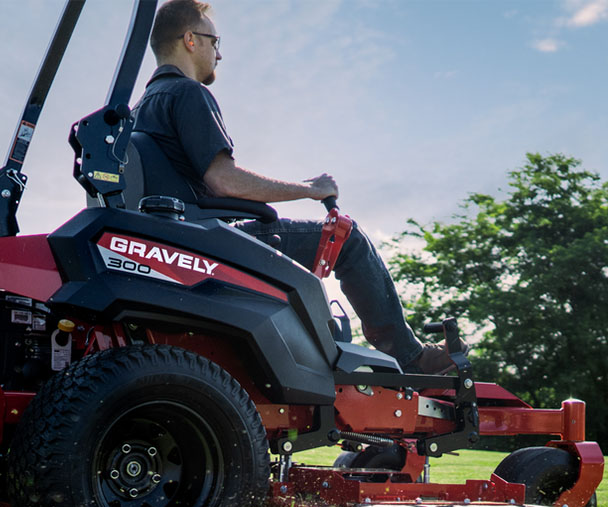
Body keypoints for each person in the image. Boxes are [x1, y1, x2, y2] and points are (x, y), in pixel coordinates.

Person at [132, 0, 462, 374]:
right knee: (348, 240)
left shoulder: (139, 109)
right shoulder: (188, 94)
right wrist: (310, 189)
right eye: (214, 40)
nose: (219, 54)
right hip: (209, 242)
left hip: (177, 241)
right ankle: (411, 358)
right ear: (190, 40)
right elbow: (223, 181)